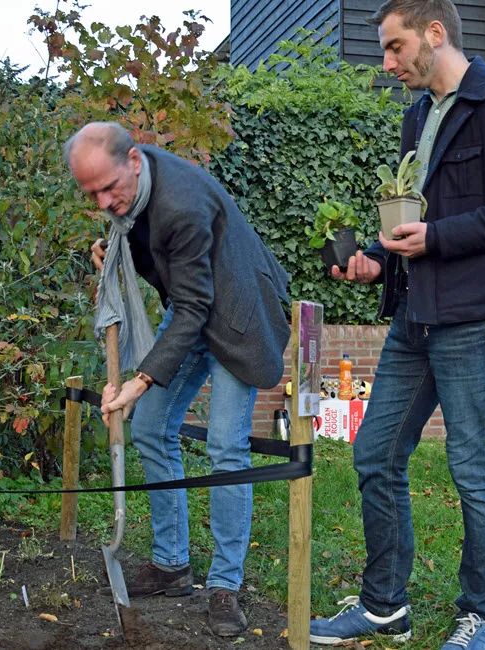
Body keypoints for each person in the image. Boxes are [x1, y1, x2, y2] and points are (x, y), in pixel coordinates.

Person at [308, 1, 485, 649]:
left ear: (435, 33)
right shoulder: (418, 116)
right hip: (417, 315)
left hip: (476, 314)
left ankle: (484, 616)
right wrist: (374, 257)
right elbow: (414, 217)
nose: (388, 63)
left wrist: (437, 237)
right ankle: (386, 604)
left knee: (472, 465)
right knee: (375, 452)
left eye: (395, 48)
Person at [65, 122, 291, 637]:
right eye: (92, 192)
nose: (103, 201)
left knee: (225, 447)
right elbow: (146, 241)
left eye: (108, 189)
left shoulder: (181, 203)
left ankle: (225, 586)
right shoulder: (132, 189)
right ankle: (172, 566)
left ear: (135, 162)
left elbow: (193, 307)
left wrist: (139, 381)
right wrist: (114, 247)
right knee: (149, 430)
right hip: (193, 307)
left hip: (237, 316)